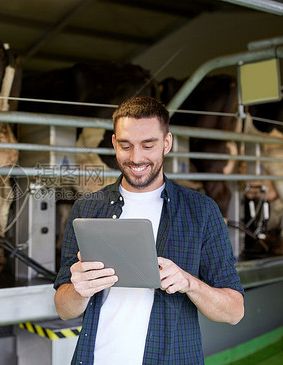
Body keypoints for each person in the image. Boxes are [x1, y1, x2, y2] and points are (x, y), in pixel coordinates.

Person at [53, 96, 244, 364]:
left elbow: (234, 311)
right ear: (114, 144)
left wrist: (189, 283)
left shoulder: (201, 211)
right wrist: (78, 289)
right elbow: (63, 309)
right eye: (125, 145)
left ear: (167, 143)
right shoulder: (87, 209)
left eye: (148, 145)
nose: (136, 157)